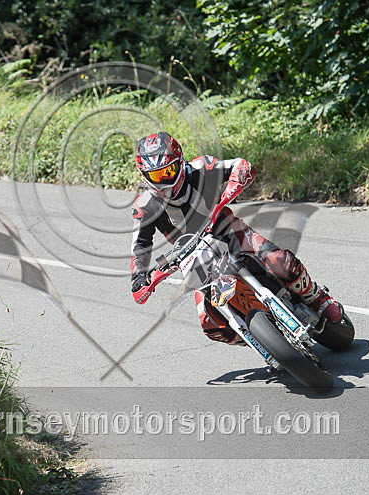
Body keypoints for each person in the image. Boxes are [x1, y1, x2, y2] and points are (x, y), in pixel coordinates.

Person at [130, 132, 343, 344]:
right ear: (145, 175)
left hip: (230, 231)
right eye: (157, 176)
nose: (164, 180)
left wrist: (234, 185)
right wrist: (139, 278)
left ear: (179, 162)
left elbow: (241, 165)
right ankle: (261, 341)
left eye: (168, 171)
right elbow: (140, 244)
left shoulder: (201, 168)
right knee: (210, 324)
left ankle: (318, 298)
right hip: (192, 258)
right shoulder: (144, 206)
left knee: (280, 261)